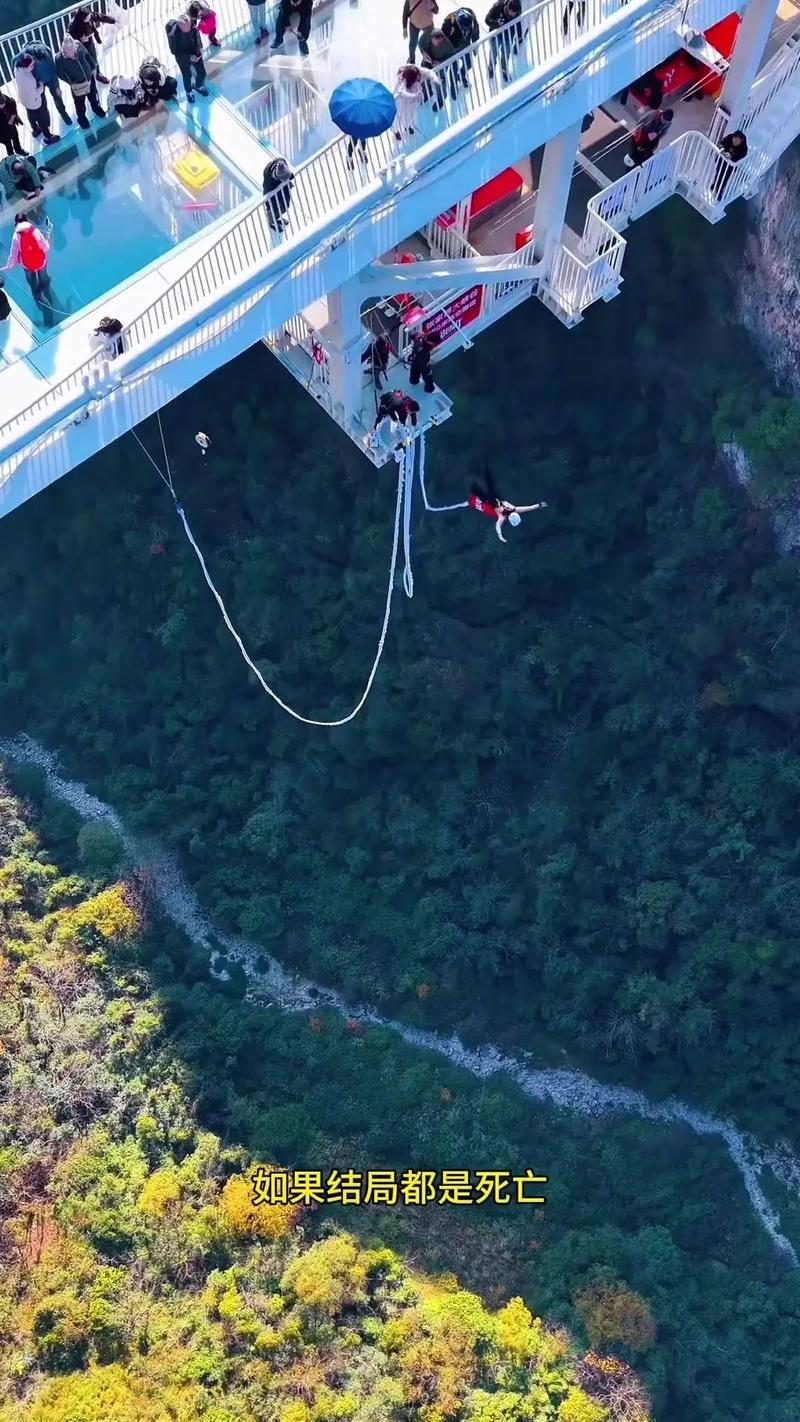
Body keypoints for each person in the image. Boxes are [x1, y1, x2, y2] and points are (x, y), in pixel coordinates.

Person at [469, 468, 547, 542]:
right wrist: (500, 536)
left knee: (488, 486)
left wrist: (540, 505)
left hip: (493, 499)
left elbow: (530, 508)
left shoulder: (512, 511)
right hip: (492, 499)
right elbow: (498, 526)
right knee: (485, 487)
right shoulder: (505, 515)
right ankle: (477, 477)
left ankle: (481, 472)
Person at [16, 42, 72, 126]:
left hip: (51, 79)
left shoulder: (46, 51)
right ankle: (46, 120)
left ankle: (63, 113)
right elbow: (15, 59)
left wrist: (56, 83)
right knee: (42, 101)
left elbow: (53, 67)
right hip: (39, 82)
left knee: (57, 97)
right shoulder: (26, 54)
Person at [56, 35, 105, 129]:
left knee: (93, 96)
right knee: (79, 103)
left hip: (89, 78)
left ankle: (96, 109)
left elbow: (87, 55)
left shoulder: (79, 45)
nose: (71, 52)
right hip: (77, 85)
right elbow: (60, 74)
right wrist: (71, 82)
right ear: (64, 49)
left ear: (74, 46)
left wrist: (93, 67)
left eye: (72, 49)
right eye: (68, 50)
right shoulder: (60, 59)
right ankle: (82, 118)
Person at [2, 213, 51, 299]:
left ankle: (36, 293)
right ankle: (45, 285)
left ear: (16, 223)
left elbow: (13, 255)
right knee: (43, 275)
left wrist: (8, 266)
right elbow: (45, 247)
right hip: (40, 261)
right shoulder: (35, 231)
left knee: (31, 279)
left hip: (27, 264)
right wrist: (48, 238)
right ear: (27, 220)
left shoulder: (16, 236)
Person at [14, 55, 58, 146]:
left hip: (24, 99)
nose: (33, 66)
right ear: (25, 67)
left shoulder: (17, 68)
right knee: (41, 117)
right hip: (34, 101)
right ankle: (48, 136)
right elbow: (36, 92)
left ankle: (35, 130)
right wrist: (41, 85)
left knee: (30, 114)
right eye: (31, 66)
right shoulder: (28, 79)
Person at [166, 14, 209, 102]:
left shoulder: (191, 26)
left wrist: (200, 50)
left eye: (189, 26)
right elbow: (174, 51)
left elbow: (197, 37)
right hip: (183, 57)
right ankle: (189, 93)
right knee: (187, 75)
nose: (188, 29)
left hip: (194, 51)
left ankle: (198, 86)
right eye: (185, 27)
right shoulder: (173, 34)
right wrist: (189, 57)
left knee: (202, 73)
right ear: (179, 26)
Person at [68, 7, 117, 85]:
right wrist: (80, 40)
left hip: (89, 42)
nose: (90, 17)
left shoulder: (89, 16)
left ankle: (98, 74)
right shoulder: (73, 26)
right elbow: (69, 39)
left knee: (94, 60)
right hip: (79, 47)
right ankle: (87, 77)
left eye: (89, 16)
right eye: (87, 17)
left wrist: (112, 20)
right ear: (82, 19)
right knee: (84, 62)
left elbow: (100, 17)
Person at [418, 27, 458, 107]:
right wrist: (424, 53)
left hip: (440, 67)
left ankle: (441, 100)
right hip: (428, 62)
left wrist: (441, 63)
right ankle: (427, 93)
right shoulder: (427, 34)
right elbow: (420, 43)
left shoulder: (447, 46)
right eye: (433, 40)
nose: (434, 43)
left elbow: (452, 57)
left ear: (441, 39)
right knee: (423, 80)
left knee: (439, 83)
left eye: (436, 42)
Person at [485, 0, 522, 83]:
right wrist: (496, 23)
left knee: (506, 53)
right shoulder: (498, 6)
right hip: (496, 35)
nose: (514, 15)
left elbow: (518, 22)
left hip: (508, 35)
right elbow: (487, 20)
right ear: (508, 10)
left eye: (515, 14)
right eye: (513, 13)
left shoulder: (517, 10)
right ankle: (491, 66)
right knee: (494, 53)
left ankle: (504, 68)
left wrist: (519, 35)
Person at [393, 64, 424, 139]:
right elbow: (398, 91)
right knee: (399, 116)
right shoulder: (401, 83)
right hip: (401, 100)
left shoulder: (415, 82)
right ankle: (396, 130)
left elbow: (419, 89)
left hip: (410, 101)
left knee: (410, 114)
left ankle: (407, 126)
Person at [262, 156, 293, 230]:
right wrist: (269, 207)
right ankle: (272, 222)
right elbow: (267, 196)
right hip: (273, 191)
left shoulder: (282, 161)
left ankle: (278, 216)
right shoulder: (269, 183)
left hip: (283, 187)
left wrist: (288, 180)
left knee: (285, 205)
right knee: (274, 208)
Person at [716, 129, 748, 200]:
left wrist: (732, 156)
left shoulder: (743, 148)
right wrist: (722, 150)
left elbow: (741, 155)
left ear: (741, 140)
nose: (734, 141)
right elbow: (720, 143)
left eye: (736, 141)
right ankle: (715, 185)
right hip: (721, 160)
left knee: (725, 178)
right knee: (718, 173)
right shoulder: (729, 137)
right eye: (734, 139)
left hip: (730, 166)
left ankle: (720, 191)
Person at [408, 329, 441, 393]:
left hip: (415, 362)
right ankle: (429, 389)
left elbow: (412, 335)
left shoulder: (418, 341)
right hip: (424, 365)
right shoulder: (426, 353)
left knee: (414, 372)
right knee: (428, 376)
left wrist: (417, 335)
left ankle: (414, 381)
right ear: (432, 344)